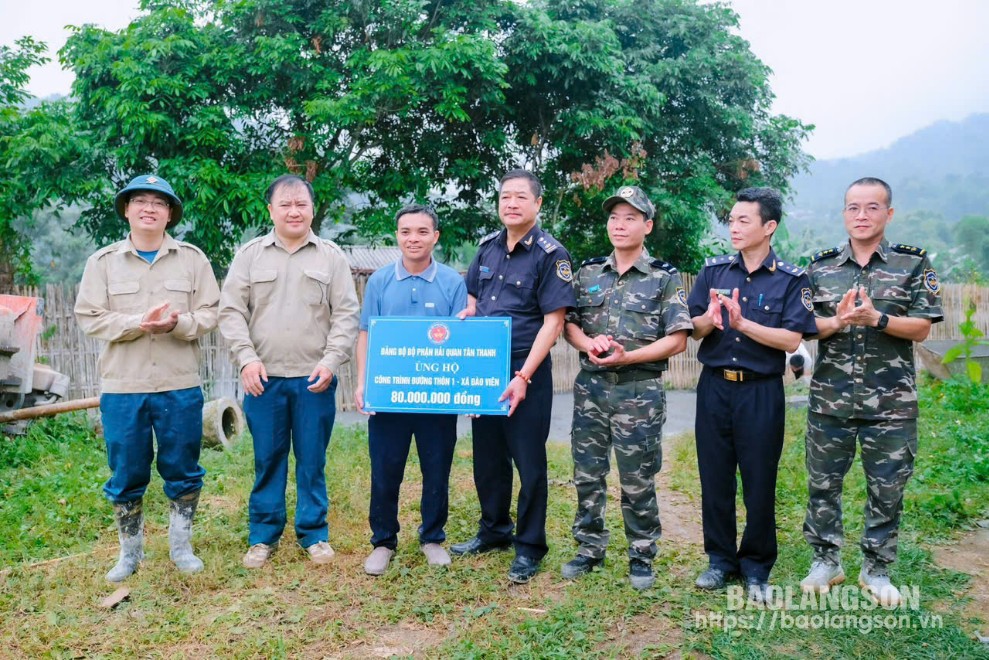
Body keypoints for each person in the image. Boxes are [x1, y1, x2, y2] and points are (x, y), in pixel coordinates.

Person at [799, 177, 942, 606]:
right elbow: (806, 328)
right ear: (844, 213)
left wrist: (878, 318)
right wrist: (841, 321)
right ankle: (827, 561)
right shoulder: (819, 266)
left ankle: (876, 569)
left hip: (892, 403)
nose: (862, 216)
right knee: (823, 484)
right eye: (853, 208)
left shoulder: (913, 264)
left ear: (888, 214)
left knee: (887, 487)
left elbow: (921, 326)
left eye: (872, 208)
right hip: (830, 398)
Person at [75, 174, 220, 581]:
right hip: (124, 387)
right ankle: (130, 553)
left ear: (170, 214)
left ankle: (181, 546)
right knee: (126, 471)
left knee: (183, 466)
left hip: (179, 383)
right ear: (126, 210)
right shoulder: (102, 263)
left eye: (159, 202)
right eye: (140, 201)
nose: (149, 208)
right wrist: (138, 323)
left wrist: (178, 323)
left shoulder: (193, 259)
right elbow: (89, 317)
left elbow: (211, 311)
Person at [219, 174, 360, 569]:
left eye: (301, 204)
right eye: (286, 204)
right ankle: (263, 535)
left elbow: (347, 315)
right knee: (268, 458)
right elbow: (231, 311)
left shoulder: (330, 257)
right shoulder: (250, 256)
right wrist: (246, 358)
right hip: (262, 380)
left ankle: (314, 533)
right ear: (271, 211)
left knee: (312, 459)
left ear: (312, 209)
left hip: (314, 380)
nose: (294, 211)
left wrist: (331, 362)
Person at [687, 187, 818, 603]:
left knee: (759, 481)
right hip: (713, 388)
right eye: (731, 220)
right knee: (715, 478)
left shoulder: (792, 279)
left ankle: (757, 565)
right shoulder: (713, 273)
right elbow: (693, 328)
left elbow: (791, 338)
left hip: (760, 391)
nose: (734, 227)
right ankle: (720, 561)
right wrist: (708, 321)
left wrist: (743, 325)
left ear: (769, 227)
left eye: (744, 220)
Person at [561, 186, 692, 590]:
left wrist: (627, 357)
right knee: (587, 473)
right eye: (614, 217)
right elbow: (569, 324)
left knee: (637, 477)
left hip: (640, 391)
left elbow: (679, 338)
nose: (620, 225)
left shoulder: (664, 278)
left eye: (630, 218)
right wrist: (589, 343)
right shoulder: (588, 273)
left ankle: (641, 553)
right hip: (591, 389)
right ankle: (589, 548)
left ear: (647, 226)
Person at [452, 169, 576, 584]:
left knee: (529, 461)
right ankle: (494, 531)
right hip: (485, 367)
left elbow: (553, 323)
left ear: (537, 204)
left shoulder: (550, 254)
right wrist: (469, 312)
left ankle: (529, 546)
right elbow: (473, 295)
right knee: (487, 456)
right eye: (505, 196)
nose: (511, 203)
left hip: (526, 369)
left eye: (521, 197)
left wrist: (523, 375)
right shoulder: (487, 248)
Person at [353, 204, 468, 575]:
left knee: (437, 469)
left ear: (435, 236)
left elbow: (461, 340)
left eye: (421, 232)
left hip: (436, 399)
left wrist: (464, 390)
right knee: (385, 470)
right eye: (405, 232)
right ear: (397, 236)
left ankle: (433, 537)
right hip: (390, 397)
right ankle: (383, 541)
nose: (413, 239)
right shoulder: (380, 281)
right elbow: (366, 333)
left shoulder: (452, 282)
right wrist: (362, 383)